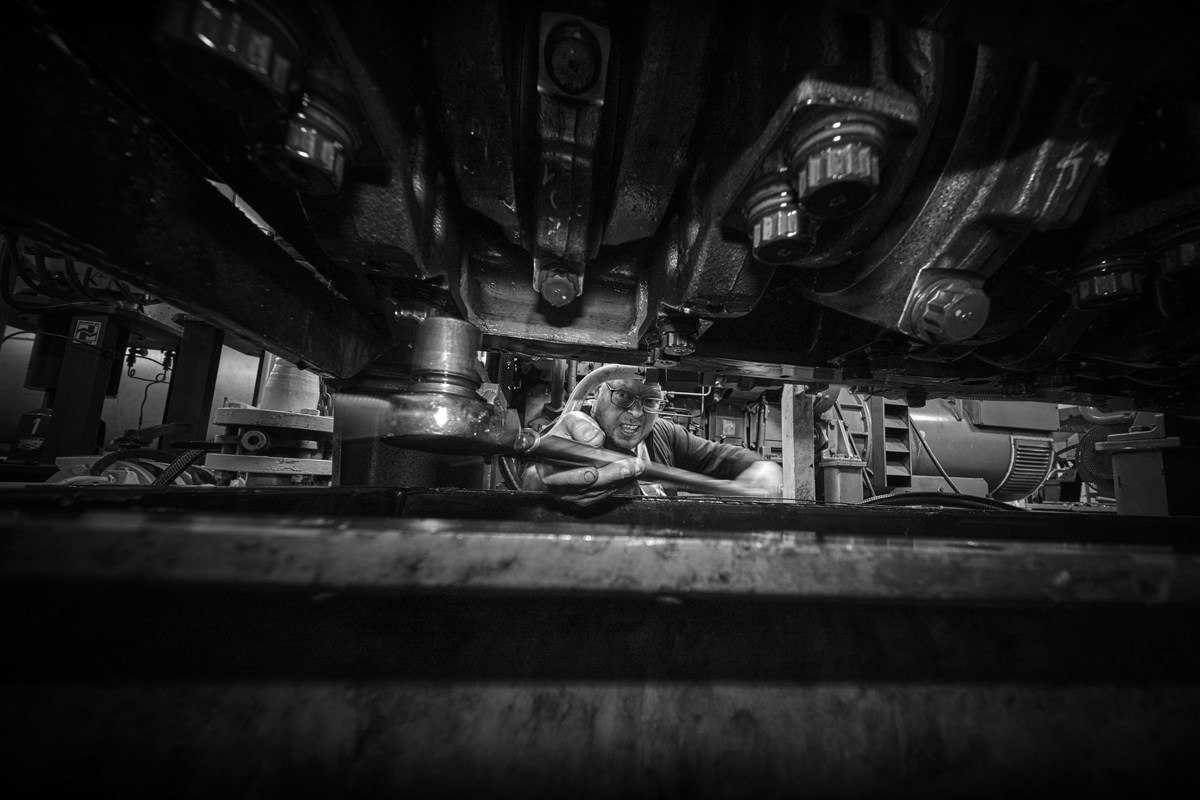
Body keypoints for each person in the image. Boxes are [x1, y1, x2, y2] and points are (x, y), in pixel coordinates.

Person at [519, 366, 783, 506]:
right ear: (596, 393)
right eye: (623, 395)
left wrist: (763, 468)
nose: (636, 413)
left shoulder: (663, 434)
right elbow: (534, 470)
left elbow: (721, 457)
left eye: (650, 400)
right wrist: (542, 482)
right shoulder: (574, 426)